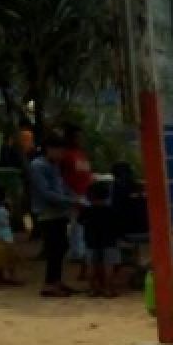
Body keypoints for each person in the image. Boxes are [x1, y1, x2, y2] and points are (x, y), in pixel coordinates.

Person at [29, 135, 80, 297]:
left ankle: (56, 280)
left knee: (62, 246)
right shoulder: (38, 166)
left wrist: (75, 196)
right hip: (47, 212)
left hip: (60, 211)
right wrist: (70, 200)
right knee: (54, 247)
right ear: (50, 149)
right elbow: (45, 192)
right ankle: (49, 284)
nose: (62, 155)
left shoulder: (55, 165)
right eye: (60, 151)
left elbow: (62, 185)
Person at [60, 125, 93, 278]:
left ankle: (82, 253)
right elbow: (62, 177)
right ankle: (76, 253)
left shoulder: (82, 154)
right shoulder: (66, 155)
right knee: (75, 225)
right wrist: (71, 195)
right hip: (74, 194)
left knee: (83, 225)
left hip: (86, 192)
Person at [79, 180, 121, 297]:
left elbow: (80, 221)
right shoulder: (111, 210)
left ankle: (93, 289)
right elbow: (118, 224)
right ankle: (108, 289)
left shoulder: (87, 210)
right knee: (109, 265)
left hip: (91, 241)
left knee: (91, 265)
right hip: (109, 240)